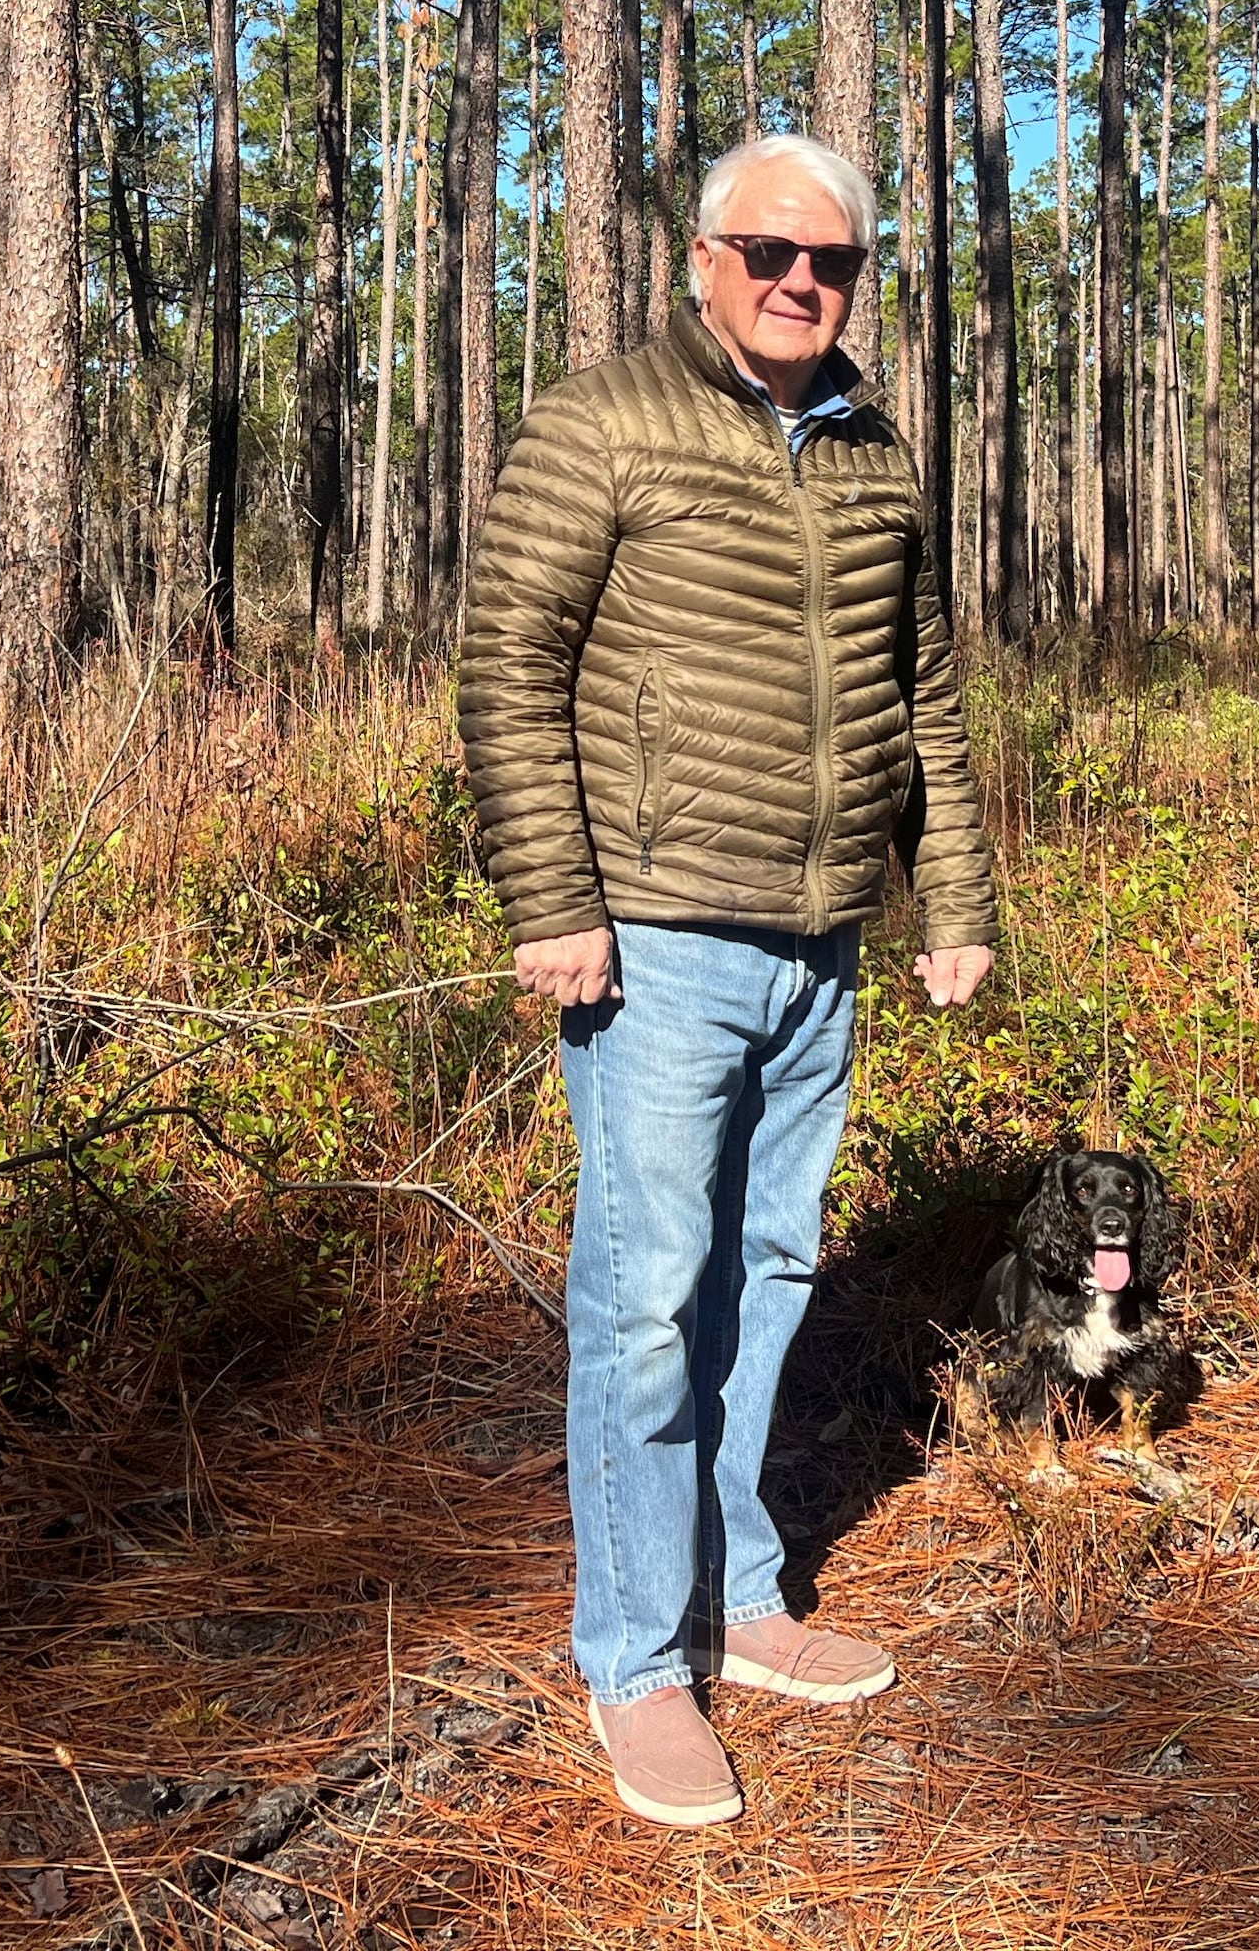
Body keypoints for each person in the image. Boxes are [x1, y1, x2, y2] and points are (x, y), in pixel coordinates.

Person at [456, 132, 996, 1829]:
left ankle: (740, 1599)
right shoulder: (604, 419)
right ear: (701, 257)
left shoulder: (877, 447)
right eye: (766, 251)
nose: (797, 281)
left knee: (766, 1271)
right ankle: (635, 1662)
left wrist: (954, 897)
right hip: (656, 941)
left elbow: (928, 695)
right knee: (640, 1296)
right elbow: (508, 665)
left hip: (820, 937)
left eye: (830, 261)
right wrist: (556, 899)